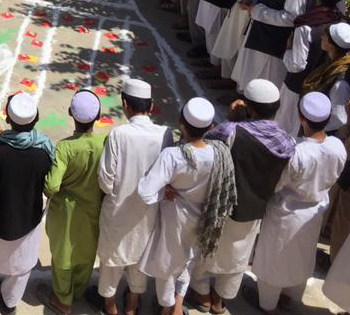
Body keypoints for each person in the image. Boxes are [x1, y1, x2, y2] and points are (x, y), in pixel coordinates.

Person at [190, 79, 295, 312]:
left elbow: (207, 142)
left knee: (209, 249)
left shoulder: (231, 131)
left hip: (223, 204)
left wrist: (235, 119)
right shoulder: (288, 142)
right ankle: (219, 300)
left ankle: (201, 293)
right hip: (256, 207)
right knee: (238, 254)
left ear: (248, 106)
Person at [252, 92, 346, 314]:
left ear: (301, 118)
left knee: (274, 260)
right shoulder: (337, 146)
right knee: (300, 259)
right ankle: (288, 297)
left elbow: (277, 183)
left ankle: (268, 305)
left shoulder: (298, 152)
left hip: (286, 213)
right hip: (314, 212)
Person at [138, 98, 234, 315]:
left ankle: (167, 309)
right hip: (202, 217)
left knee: (167, 266)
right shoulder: (218, 154)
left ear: (181, 122)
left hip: (175, 218)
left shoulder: (173, 155)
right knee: (188, 261)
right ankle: (177, 306)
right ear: (210, 128)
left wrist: (165, 192)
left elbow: (145, 191)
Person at [95, 79, 172, 315]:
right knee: (140, 261)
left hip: (118, 212)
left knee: (111, 264)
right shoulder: (165, 134)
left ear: (125, 104)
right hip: (149, 215)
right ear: (151, 106)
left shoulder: (119, 134)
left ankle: (111, 307)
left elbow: (106, 180)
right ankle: (132, 305)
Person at [0, 92, 53, 314]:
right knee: (21, 267)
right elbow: (49, 188)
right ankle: (9, 300)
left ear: (7, 118)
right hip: (28, 218)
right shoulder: (45, 153)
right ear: (36, 119)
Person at [42, 90, 107, 315]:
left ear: (71, 113)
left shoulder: (65, 147)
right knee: (86, 254)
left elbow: (52, 187)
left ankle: (63, 300)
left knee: (63, 257)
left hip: (66, 212)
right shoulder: (105, 142)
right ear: (98, 116)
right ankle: (78, 291)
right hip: (93, 209)